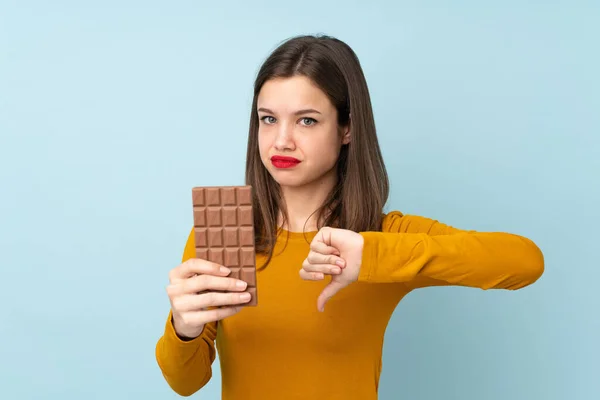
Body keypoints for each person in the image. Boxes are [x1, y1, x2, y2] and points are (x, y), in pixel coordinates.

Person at [154, 34, 544, 399]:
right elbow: (185, 384)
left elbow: (525, 261)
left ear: (347, 129)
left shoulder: (381, 237)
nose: (281, 140)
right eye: (268, 118)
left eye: (307, 120)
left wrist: (373, 256)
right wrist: (183, 329)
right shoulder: (227, 234)